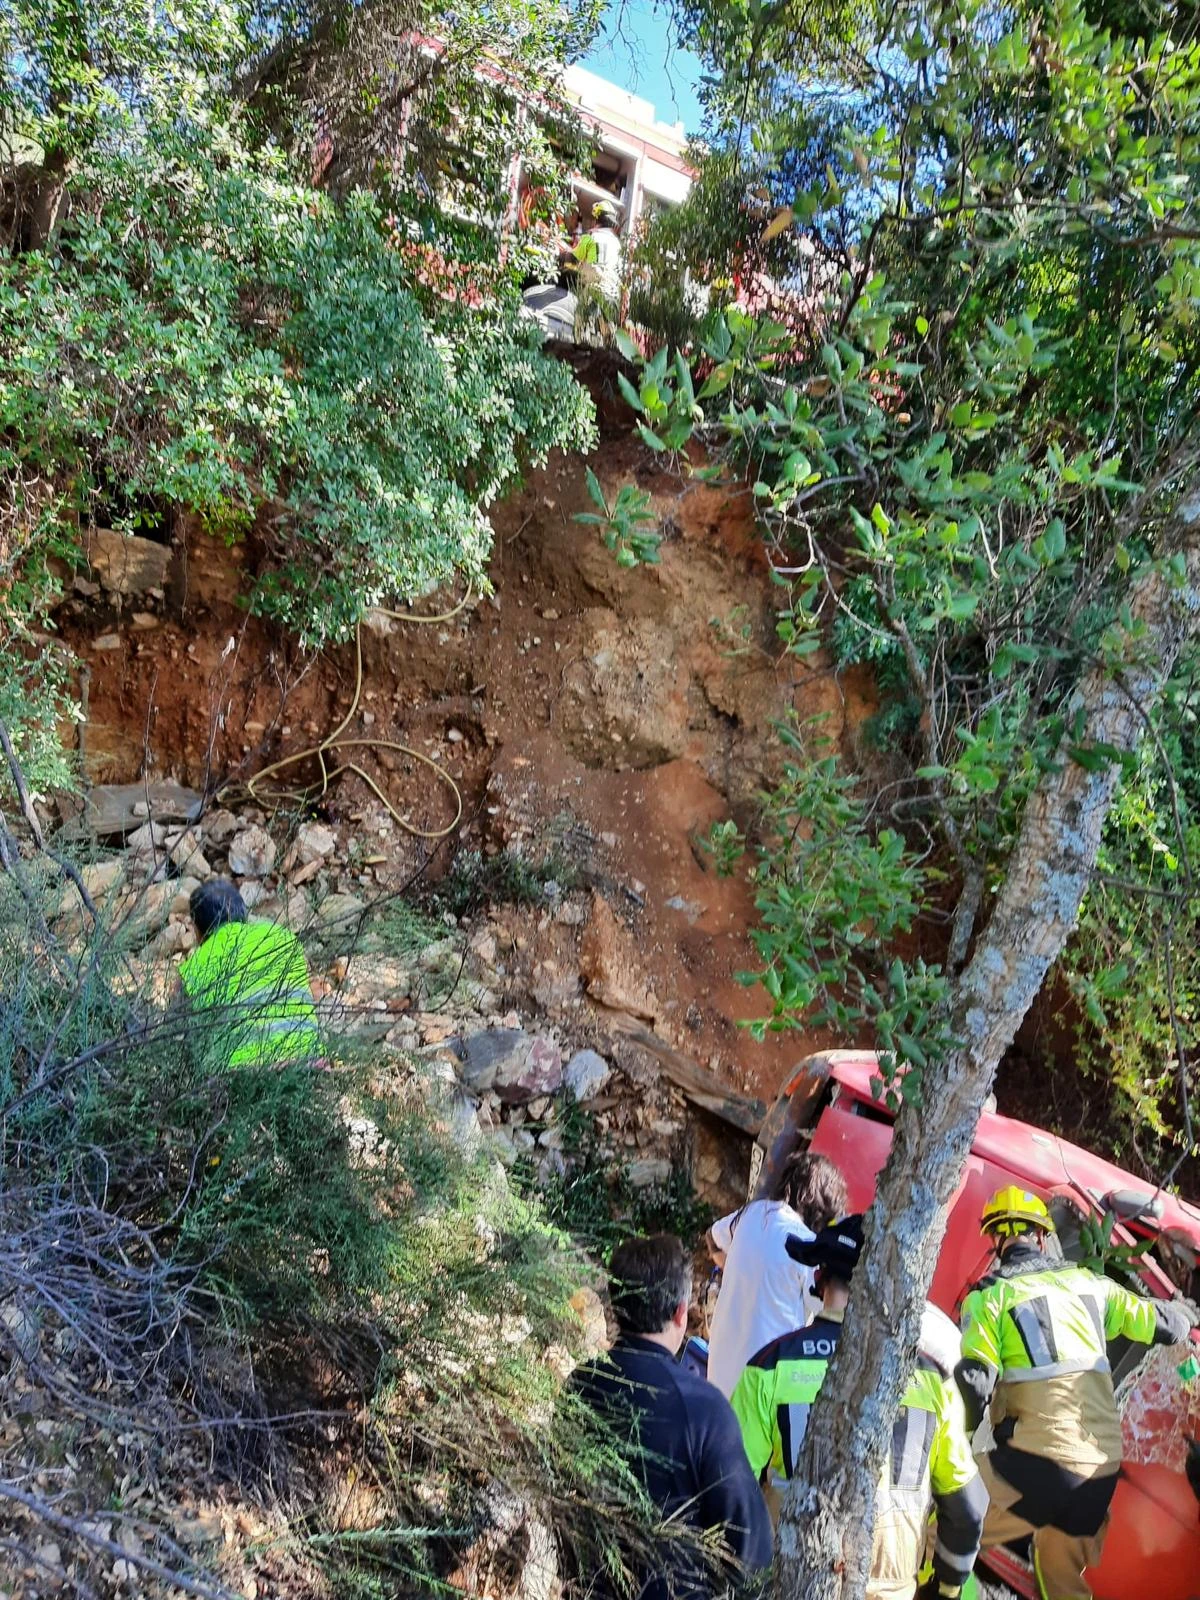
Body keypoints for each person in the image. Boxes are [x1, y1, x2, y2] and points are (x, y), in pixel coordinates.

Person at [955, 1185, 1195, 1600]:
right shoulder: (1089, 1284)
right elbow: (1161, 1324)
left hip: (1039, 1465)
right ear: (1044, 1237)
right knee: (1059, 1578)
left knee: (941, 1529)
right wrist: (1185, 1311)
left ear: (995, 1242)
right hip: (1100, 1474)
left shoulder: (989, 1298)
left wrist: (962, 1442)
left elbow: (974, 1380)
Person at [731, 1216, 986, 1600]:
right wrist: (947, 1587)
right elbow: (967, 1506)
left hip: (793, 1581)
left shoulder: (772, 1365)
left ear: (820, 1278)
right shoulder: (933, 1378)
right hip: (891, 1588)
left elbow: (730, 1488)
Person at [569, 1233, 772, 1600]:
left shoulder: (581, 1384)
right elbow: (752, 1550)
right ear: (681, 1313)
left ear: (617, 1306)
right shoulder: (703, 1407)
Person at [705, 1150, 848, 1397]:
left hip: (718, 1375)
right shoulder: (806, 1247)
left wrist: (741, 1271)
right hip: (762, 1386)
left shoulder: (752, 1213)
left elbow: (713, 1238)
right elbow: (828, 1309)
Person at [179, 878, 321, 1068]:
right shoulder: (284, 937)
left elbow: (181, 1037)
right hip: (309, 1061)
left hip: (244, 1074)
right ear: (244, 913)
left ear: (198, 930)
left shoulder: (194, 968)